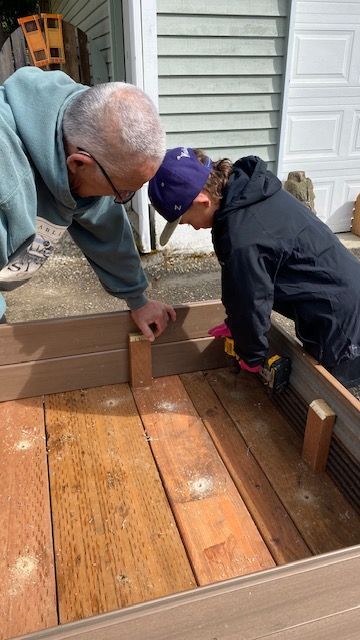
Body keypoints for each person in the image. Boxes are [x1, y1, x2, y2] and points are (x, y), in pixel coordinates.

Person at [148, 146, 360, 388]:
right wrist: (234, 326)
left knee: (332, 395)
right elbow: (241, 286)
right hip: (338, 298)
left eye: (185, 221)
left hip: (343, 322)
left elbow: (251, 300)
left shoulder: (243, 236)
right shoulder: (245, 194)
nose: (192, 227)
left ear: (202, 201)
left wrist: (250, 355)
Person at [0, 66, 176, 339]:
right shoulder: (6, 182)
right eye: (122, 192)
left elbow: (106, 225)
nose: (119, 199)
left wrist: (138, 299)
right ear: (79, 163)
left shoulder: (85, 137)